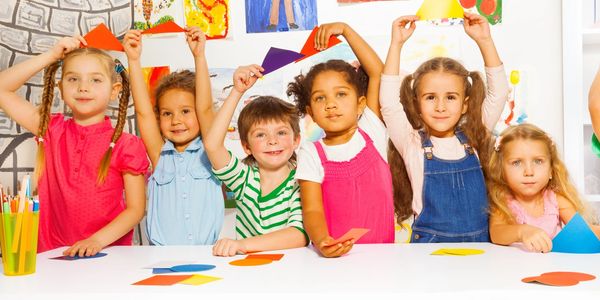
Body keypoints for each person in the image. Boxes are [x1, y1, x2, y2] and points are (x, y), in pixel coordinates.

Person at [0, 36, 148, 256]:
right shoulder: (51, 129)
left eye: (95, 80)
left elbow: (136, 209)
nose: (83, 87)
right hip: (52, 256)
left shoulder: (126, 145)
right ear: (60, 88)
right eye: (73, 79)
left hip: (107, 257)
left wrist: (96, 241)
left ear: (115, 90)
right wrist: (51, 56)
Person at [380, 13, 509, 242]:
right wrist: (396, 44)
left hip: (480, 246)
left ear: (464, 105)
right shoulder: (411, 143)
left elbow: (498, 94)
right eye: (430, 97)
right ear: (416, 104)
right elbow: (388, 103)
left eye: (450, 97)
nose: (440, 107)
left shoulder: (474, 135)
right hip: (429, 247)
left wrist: (485, 41)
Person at [287, 22, 394, 258]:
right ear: (311, 112)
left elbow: (377, 72)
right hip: (335, 261)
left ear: (361, 103)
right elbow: (312, 209)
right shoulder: (310, 152)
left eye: (341, 94)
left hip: (386, 259)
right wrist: (322, 241)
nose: (331, 104)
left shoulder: (371, 131)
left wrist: (346, 30)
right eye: (320, 98)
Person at [123, 28, 224, 245]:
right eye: (167, 113)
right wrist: (133, 60)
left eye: (185, 111)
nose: (176, 120)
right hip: (161, 255)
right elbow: (143, 113)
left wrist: (199, 56)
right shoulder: (160, 155)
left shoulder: (211, 150)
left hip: (207, 254)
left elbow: (205, 107)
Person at [200, 64, 307, 256]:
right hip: (250, 273)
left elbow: (298, 235)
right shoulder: (244, 179)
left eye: (281, 133)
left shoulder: (300, 182)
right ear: (246, 147)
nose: (272, 141)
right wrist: (237, 91)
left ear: (296, 140)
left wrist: (243, 245)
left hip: (291, 272)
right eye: (260, 135)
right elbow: (212, 145)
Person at [489, 124, 600, 252]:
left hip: (552, 267)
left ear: (551, 170)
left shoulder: (556, 200)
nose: (529, 171)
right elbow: (496, 233)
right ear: (501, 171)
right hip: (517, 268)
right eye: (517, 162)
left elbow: (583, 230)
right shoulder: (503, 202)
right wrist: (522, 232)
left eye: (538, 161)